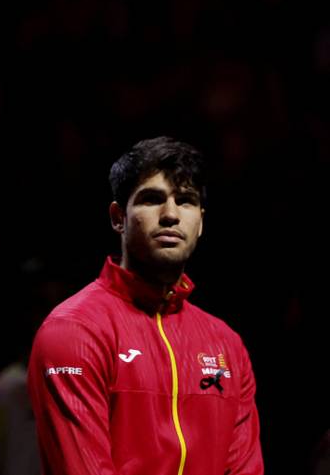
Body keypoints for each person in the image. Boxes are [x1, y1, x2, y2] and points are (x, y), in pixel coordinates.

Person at [27, 136, 263, 474]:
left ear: (201, 223)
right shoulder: (73, 331)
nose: (170, 214)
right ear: (118, 217)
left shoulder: (226, 344)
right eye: (152, 200)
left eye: (185, 201)